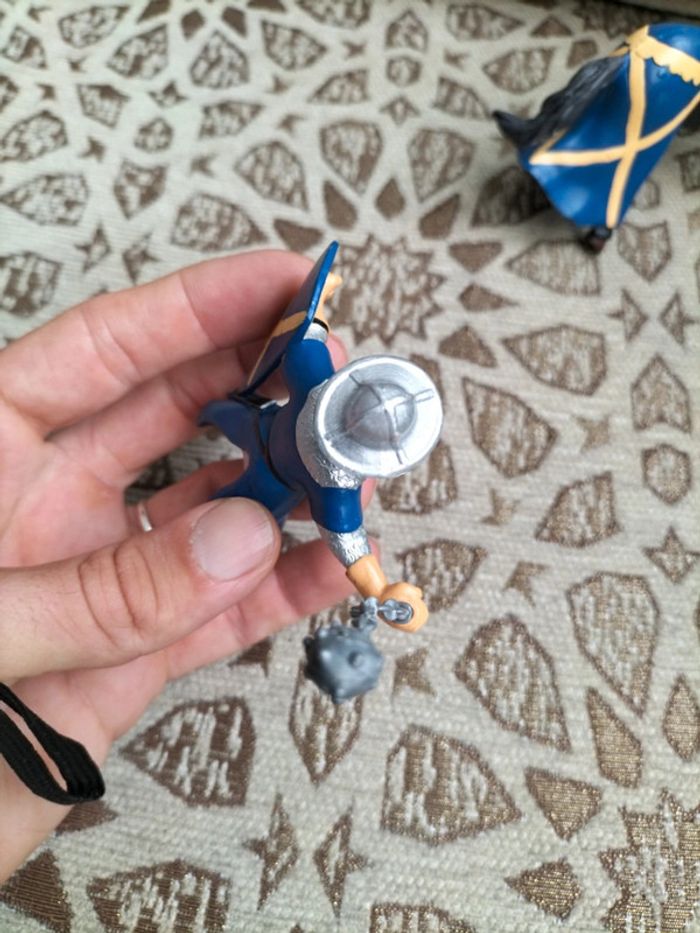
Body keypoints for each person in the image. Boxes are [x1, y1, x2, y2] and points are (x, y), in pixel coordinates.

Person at [0, 250, 358, 883]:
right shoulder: (314, 384)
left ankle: (215, 437)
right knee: (224, 413)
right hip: (258, 431)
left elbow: (347, 538)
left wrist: (383, 587)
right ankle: (209, 424)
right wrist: (319, 302)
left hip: (268, 489)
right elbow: (307, 340)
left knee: (237, 491)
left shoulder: (338, 484)